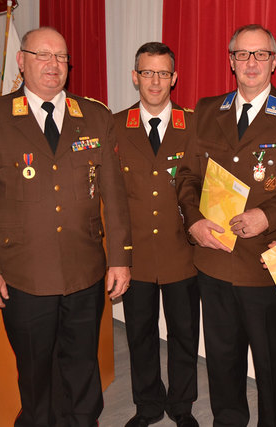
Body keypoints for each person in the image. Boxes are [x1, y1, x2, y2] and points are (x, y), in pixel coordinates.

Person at [0, 27, 132, 426]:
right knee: (36, 374)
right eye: (42, 55)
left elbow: (115, 196)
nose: (53, 65)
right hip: (24, 274)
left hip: (84, 270)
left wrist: (120, 259)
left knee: (83, 369)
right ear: (21, 60)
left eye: (61, 58)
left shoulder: (94, 116)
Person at [176, 24, 276, 426]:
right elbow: (187, 176)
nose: (252, 62)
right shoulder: (207, 110)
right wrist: (193, 222)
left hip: (269, 264)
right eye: (243, 54)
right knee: (222, 360)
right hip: (214, 258)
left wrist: (267, 215)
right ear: (231, 61)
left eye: (261, 54)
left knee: (273, 365)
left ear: (275, 61)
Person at [114, 42, 199, 427]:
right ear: (135, 76)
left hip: (183, 252)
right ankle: (147, 405)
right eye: (147, 72)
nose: (155, 81)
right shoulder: (114, 125)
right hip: (136, 255)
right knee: (140, 336)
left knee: (184, 336)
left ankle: (181, 406)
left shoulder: (195, 125)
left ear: (174, 78)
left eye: (163, 73)